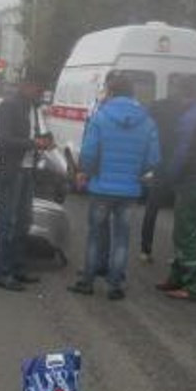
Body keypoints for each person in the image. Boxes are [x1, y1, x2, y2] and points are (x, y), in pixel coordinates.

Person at [68, 73, 160, 300]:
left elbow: (89, 153)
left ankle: (87, 282)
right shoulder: (147, 121)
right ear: (132, 93)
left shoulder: (100, 117)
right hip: (129, 191)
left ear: (111, 92)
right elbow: (153, 158)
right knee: (122, 239)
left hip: (101, 188)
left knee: (95, 237)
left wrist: (86, 173)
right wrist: (136, 173)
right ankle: (115, 285)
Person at [157, 76, 196, 302]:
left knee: (186, 233)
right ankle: (176, 277)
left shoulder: (192, 117)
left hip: (191, 180)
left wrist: (169, 175)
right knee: (182, 231)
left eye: (177, 91)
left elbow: (182, 151)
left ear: (186, 93)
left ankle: (192, 286)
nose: (175, 97)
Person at [0, 70, 53, 292]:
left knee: (23, 222)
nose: (41, 94)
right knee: (7, 222)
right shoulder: (9, 106)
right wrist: (33, 144)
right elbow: (2, 139)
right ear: (26, 86)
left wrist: (46, 141)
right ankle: (2, 272)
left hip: (28, 171)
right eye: (38, 89)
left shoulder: (33, 109)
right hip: (12, 170)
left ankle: (17, 268)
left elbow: (41, 133)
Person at [139, 84, 189, 261]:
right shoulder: (186, 110)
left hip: (160, 161)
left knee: (152, 207)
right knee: (180, 210)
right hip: (180, 163)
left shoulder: (156, 106)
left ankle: (145, 249)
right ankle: (179, 252)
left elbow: (145, 127)